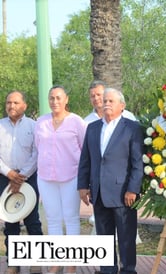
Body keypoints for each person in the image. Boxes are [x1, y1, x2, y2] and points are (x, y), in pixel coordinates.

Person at [78, 88, 144, 274]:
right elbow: (86, 160)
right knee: (103, 237)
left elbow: (137, 162)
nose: (106, 103)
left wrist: (133, 189)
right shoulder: (92, 128)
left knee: (126, 236)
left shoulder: (132, 128)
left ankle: (128, 270)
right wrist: (83, 186)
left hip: (124, 193)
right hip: (98, 193)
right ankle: (107, 270)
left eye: (111, 101)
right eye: (105, 100)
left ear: (122, 106)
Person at [34, 85, 86, 274]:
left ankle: (71, 263)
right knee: (53, 219)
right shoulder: (40, 122)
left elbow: (84, 149)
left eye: (58, 98)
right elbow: (37, 148)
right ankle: (56, 262)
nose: (55, 101)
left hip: (71, 177)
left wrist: (84, 181)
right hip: (46, 178)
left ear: (66, 100)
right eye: (51, 98)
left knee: (71, 219)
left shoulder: (76, 122)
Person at [0, 91, 43, 274]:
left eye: (16, 102)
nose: (11, 106)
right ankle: (13, 263)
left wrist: (22, 175)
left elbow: (37, 153)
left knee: (33, 221)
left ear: (24, 105)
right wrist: (9, 173)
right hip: (4, 178)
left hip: (29, 178)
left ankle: (36, 262)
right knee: (10, 222)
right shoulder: (0, 126)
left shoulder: (34, 126)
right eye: (9, 102)